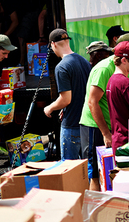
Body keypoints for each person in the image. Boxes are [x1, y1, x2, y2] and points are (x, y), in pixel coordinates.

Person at [79, 37, 129, 191]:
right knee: (96, 173)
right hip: (93, 126)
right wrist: (106, 133)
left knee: (111, 172)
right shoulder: (104, 70)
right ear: (124, 60)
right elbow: (92, 102)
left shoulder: (127, 71)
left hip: (115, 126)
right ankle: (94, 211)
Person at [44, 29, 91, 160]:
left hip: (72, 125)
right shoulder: (84, 61)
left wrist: (50, 108)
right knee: (86, 166)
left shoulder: (62, 67)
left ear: (53, 44)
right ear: (67, 41)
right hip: (86, 123)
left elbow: (66, 99)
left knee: (70, 168)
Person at [0, 0, 22, 66]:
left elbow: (15, 22)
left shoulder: (8, 6)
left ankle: (22, 63)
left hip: (24, 19)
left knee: (21, 36)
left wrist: (4, 37)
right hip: (10, 32)